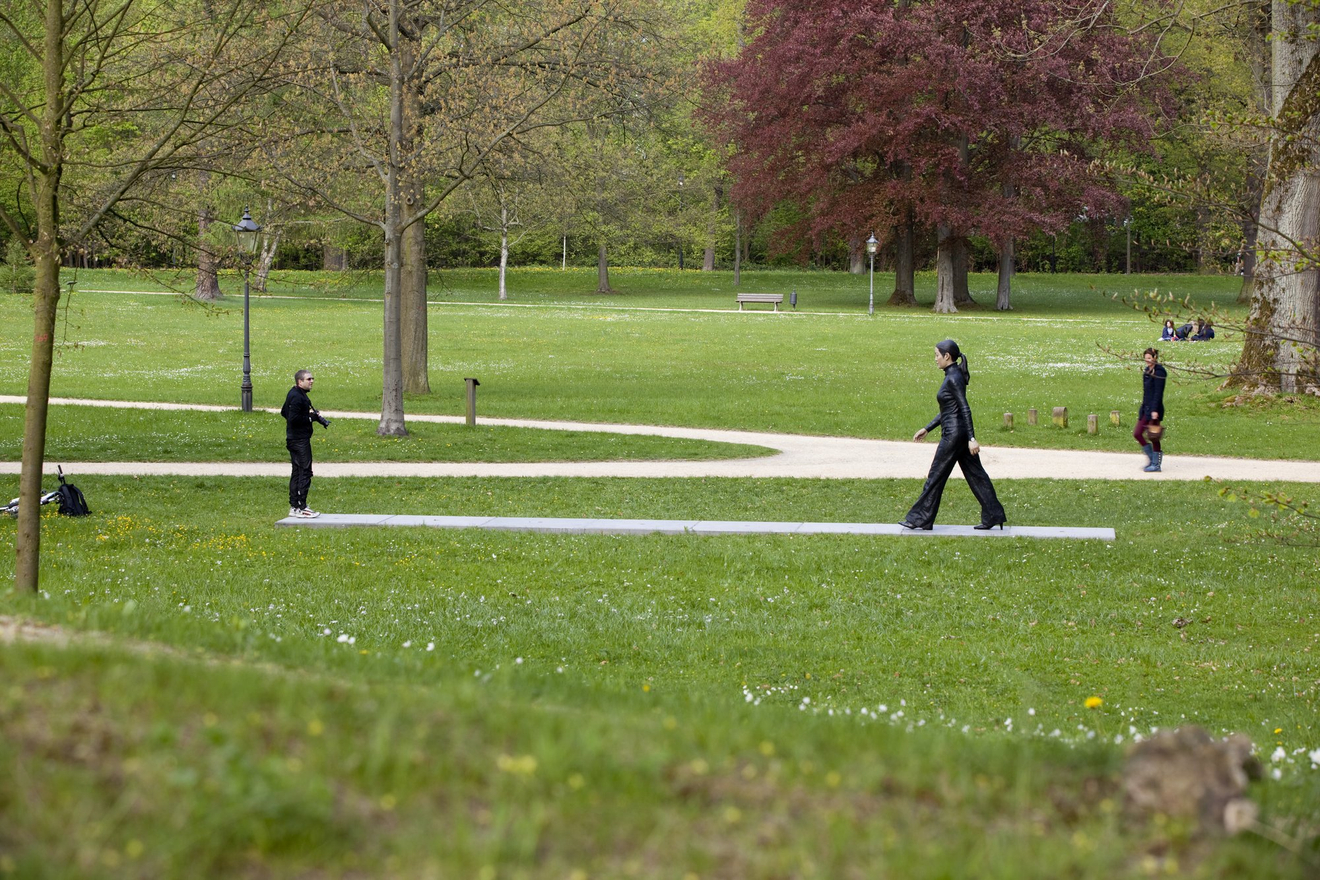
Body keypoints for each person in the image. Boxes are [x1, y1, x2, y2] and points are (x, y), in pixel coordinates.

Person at [901, 339, 1007, 530]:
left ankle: (920, 518)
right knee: (976, 475)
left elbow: (965, 408)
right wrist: (928, 428)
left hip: (953, 436)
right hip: (959, 435)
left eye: (936, 355)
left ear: (947, 356)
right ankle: (993, 515)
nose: (935, 359)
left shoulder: (953, 378)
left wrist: (972, 439)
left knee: (935, 477)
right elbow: (948, 409)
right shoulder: (953, 375)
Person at [281, 369, 329, 517]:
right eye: (308, 379)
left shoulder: (295, 393)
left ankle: (294, 506)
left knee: (297, 472)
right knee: (305, 472)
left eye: (312, 378)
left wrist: (307, 415)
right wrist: (310, 418)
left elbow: (284, 412)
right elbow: (292, 418)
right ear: (299, 382)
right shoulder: (297, 397)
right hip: (299, 441)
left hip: (294, 439)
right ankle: (301, 507)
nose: (312, 381)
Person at [1134, 347, 1166, 473]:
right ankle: (1151, 458)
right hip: (1145, 408)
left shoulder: (1160, 372)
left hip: (1154, 409)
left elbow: (1158, 393)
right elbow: (1146, 392)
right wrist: (1143, 409)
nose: (1147, 360)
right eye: (1145, 358)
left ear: (1155, 358)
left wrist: (1154, 410)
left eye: (1149, 358)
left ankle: (1156, 464)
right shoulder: (1147, 371)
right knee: (1137, 433)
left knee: (1154, 436)